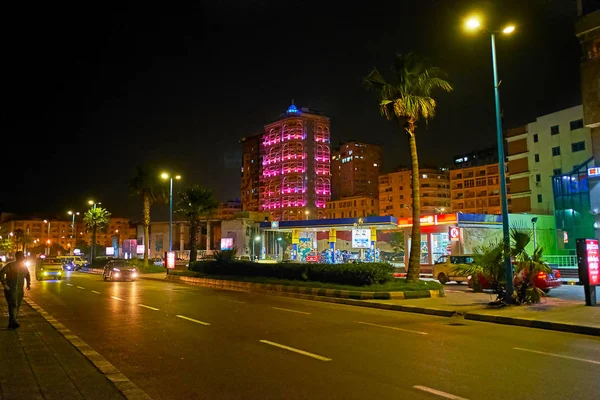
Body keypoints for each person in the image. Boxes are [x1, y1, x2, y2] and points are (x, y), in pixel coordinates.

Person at [0, 251, 31, 329]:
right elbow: (1, 273)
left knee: (17, 305)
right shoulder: (10, 266)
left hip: (20, 289)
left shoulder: (24, 266)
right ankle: (13, 321)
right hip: (11, 289)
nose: (22, 258)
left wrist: (28, 284)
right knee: (14, 305)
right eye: (21, 256)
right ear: (17, 257)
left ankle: (12, 322)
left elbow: (27, 275)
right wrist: (5, 284)